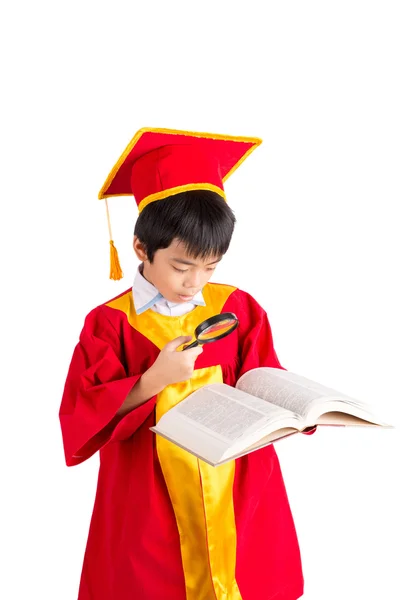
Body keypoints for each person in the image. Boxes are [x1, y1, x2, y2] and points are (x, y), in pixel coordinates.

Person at [59, 127, 314, 600]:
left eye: (210, 265)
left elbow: (264, 378)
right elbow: (81, 418)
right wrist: (152, 381)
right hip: (149, 496)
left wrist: (299, 409)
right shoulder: (109, 324)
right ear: (140, 248)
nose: (195, 282)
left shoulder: (239, 307)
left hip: (239, 487)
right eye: (181, 266)